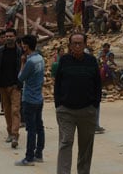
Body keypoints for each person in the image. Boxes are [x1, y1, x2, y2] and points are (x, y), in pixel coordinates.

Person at [54, 33, 101, 174]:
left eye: (80, 43)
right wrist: (58, 105)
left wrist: (95, 104)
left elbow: (98, 85)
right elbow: (58, 84)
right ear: (69, 45)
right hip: (66, 111)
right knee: (65, 143)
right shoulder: (64, 61)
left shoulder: (92, 61)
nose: (77, 46)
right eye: (74, 43)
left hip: (87, 111)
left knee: (85, 147)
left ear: (85, 45)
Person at [15, 35, 45, 166]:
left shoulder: (30, 62)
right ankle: (39, 153)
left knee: (31, 129)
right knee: (39, 127)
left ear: (26, 45)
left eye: (22, 44)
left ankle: (29, 157)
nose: (22, 47)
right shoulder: (40, 59)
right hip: (39, 97)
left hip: (29, 98)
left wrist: (22, 62)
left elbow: (21, 78)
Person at [0, 28, 22, 149]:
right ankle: (9, 132)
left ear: (15, 37)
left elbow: (22, 68)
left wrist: (19, 83)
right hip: (2, 86)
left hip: (15, 86)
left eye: (11, 36)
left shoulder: (19, 52)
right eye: (6, 36)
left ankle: (15, 135)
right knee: (7, 111)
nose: (8, 38)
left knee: (15, 110)